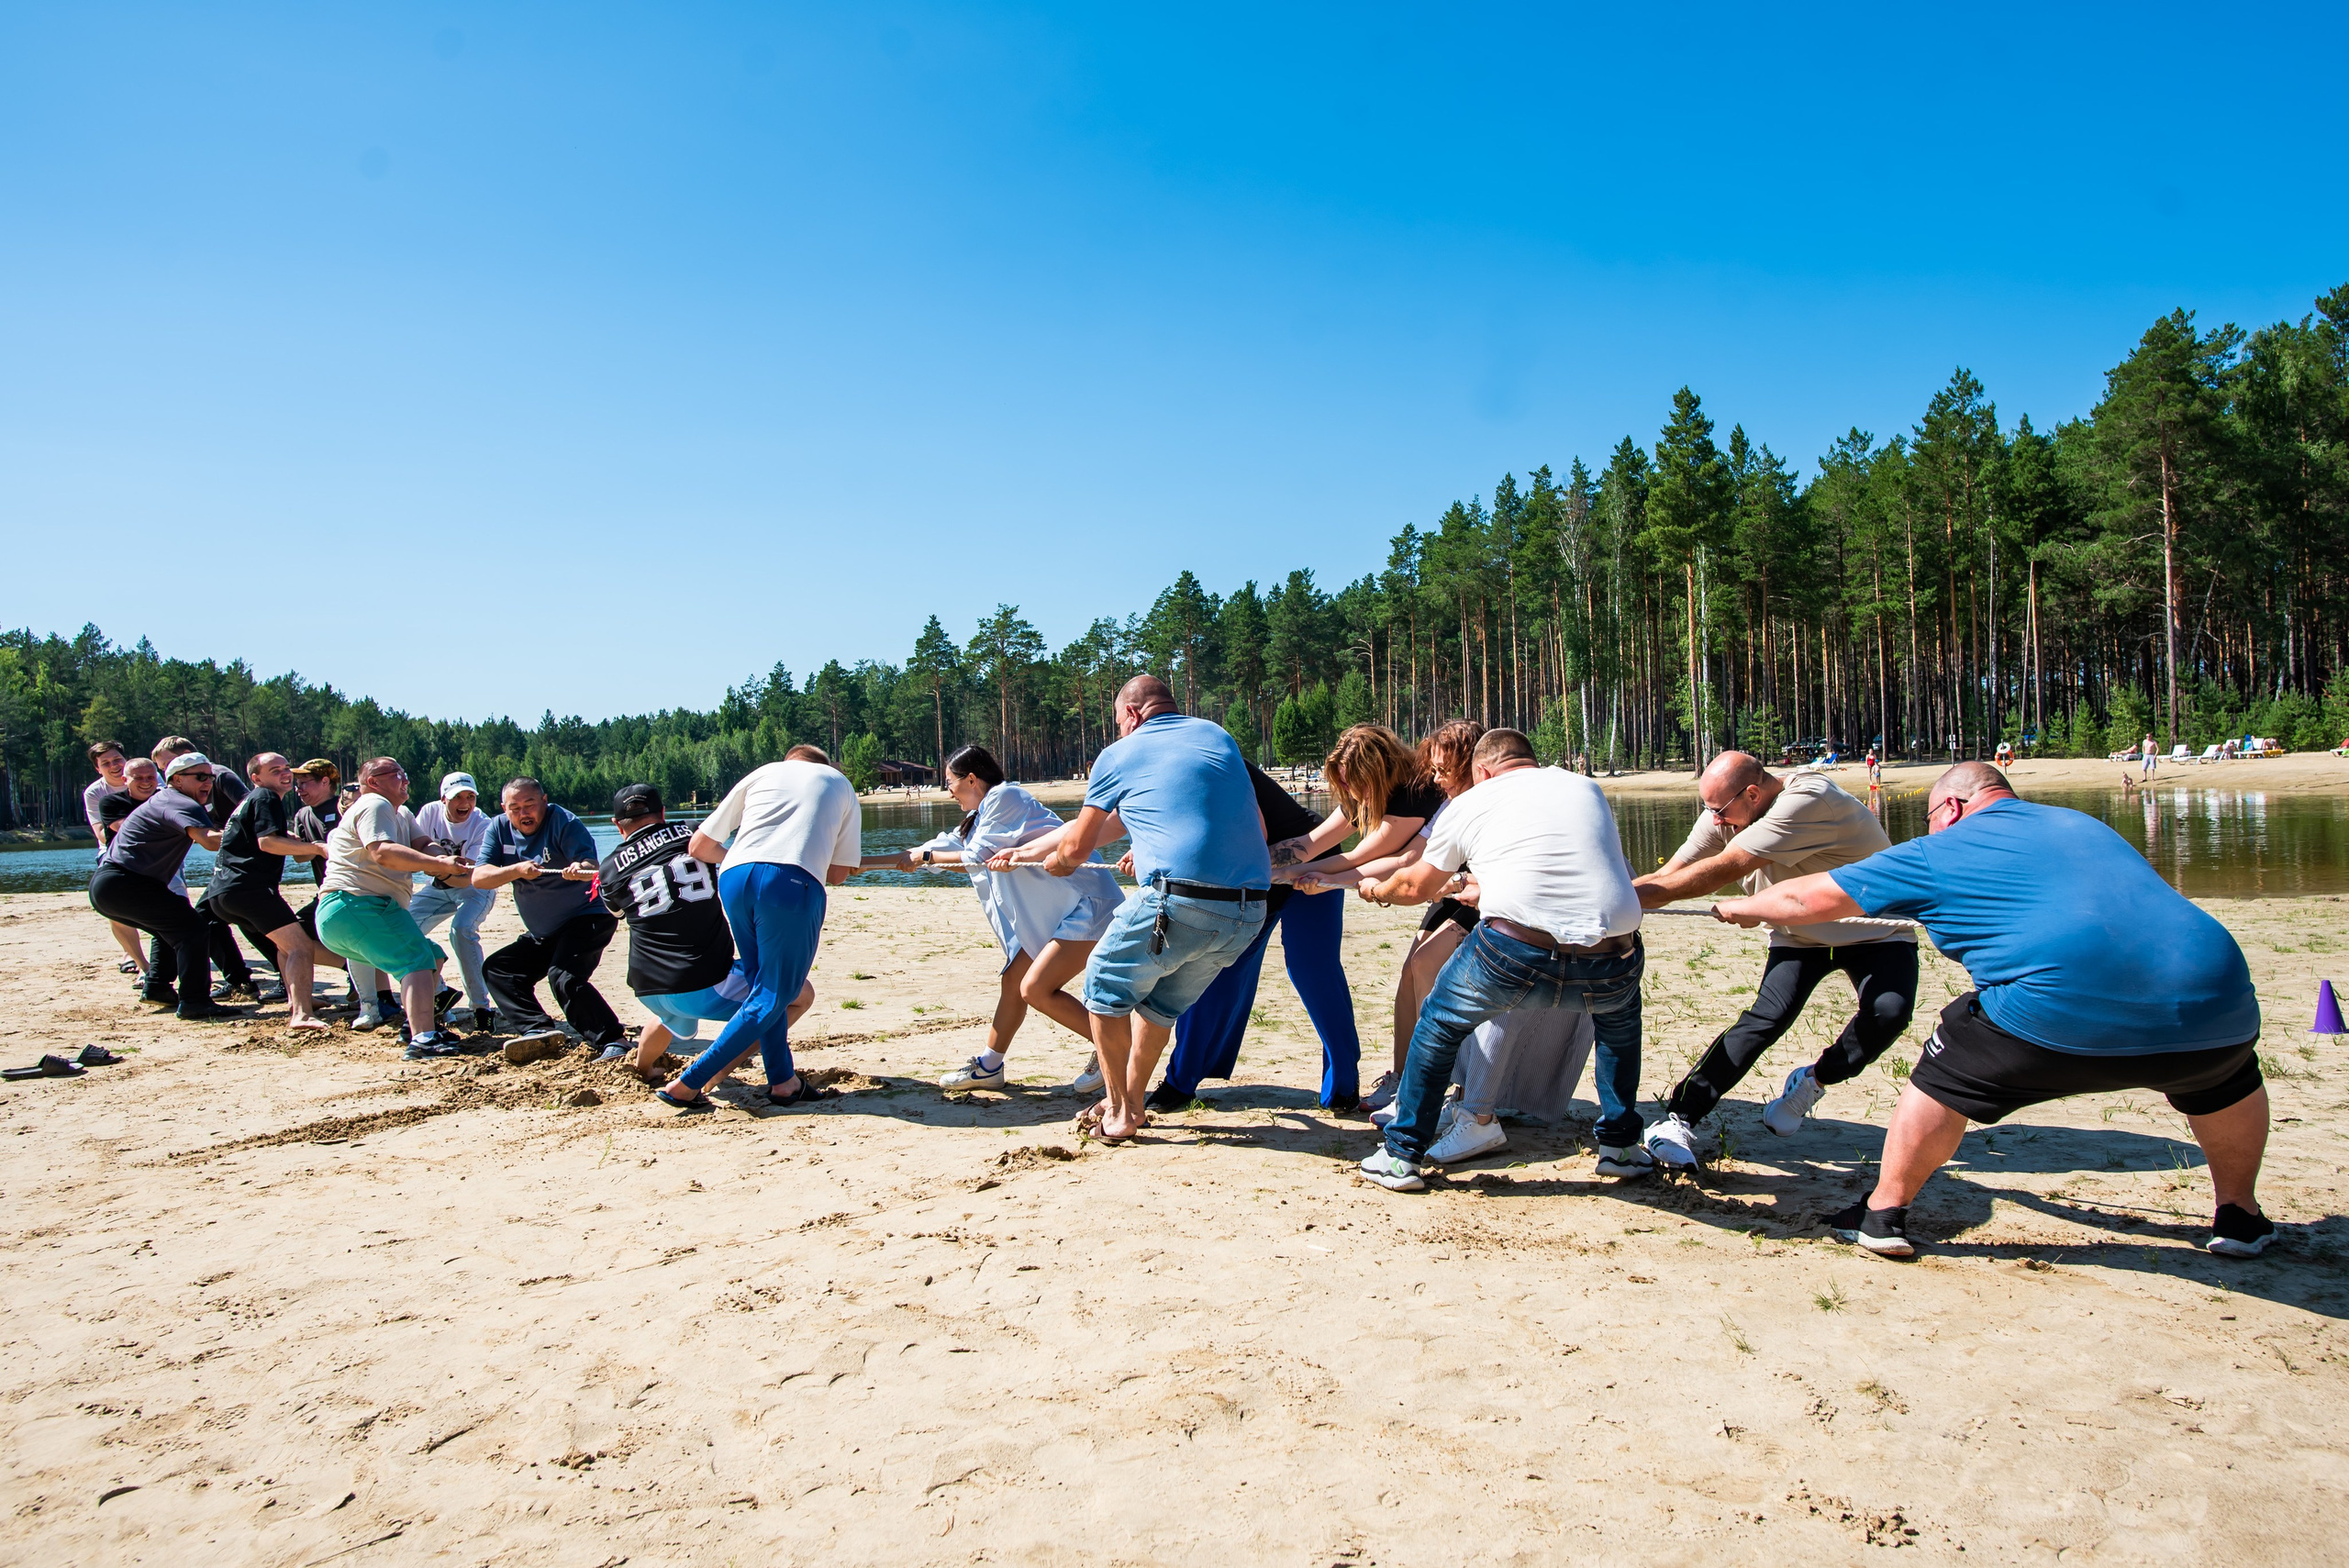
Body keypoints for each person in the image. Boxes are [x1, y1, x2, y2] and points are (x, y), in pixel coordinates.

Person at [1716, 762, 2274, 1260]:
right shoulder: (2081, 823)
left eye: (1932, 817)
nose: (1932, 829)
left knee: (1944, 1070)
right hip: (2220, 1005)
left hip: (2056, 1011)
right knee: (2227, 1084)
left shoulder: (1945, 847)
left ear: (1952, 808)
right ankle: (2240, 1216)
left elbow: (1802, 899)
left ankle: (1882, 1214)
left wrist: (1741, 906)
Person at [1354, 728, 1648, 1191]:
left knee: (1438, 1023)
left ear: (1484, 772)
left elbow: (1415, 886)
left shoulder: (1471, 802)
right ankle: (1622, 1149)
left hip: (1516, 953)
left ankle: (1401, 1154)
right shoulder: (1586, 787)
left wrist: (1375, 891)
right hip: (1614, 952)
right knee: (1619, 1027)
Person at [991, 676, 1269, 1142]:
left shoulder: (1120, 755)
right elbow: (1253, 825)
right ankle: (1131, 1104)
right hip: (1247, 914)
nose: (1119, 730)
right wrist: (1029, 851)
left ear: (1134, 713)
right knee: (1157, 1009)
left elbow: (1078, 846)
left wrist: (1057, 865)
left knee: (1102, 983)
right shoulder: (1215, 735)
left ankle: (1118, 1109)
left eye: (1118, 720)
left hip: (1177, 902)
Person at [1629, 751, 1918, 1167]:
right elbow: (1668, 875)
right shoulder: (1726, 813)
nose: (1713, 821)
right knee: (1766, 1019)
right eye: (1707, 809)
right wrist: (1609, 901)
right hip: (1799, 934)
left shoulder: (1808, 799)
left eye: (1719, 810)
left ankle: (1814, 1081)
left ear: (1752, 793)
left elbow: (1724, 869)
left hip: (1873, 929)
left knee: (1889, 1014)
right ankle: (1679, 1118)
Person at [863, 745, 1119, 1095]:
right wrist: (860, 863)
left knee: (1036, 989)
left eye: (949, 782)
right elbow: (932, 851)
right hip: (1060, 912)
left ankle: (1113, 1045)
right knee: (1014, 981)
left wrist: (925, 856)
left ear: (971, 778)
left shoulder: (1005, 796)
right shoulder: (977, 819)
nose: (947, 790)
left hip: (1087, 903)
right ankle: (989, 1067)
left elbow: (974, 857)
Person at [654, 744, 863, 1114]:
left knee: (761, 988)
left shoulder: (762, 773)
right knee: (771, 996)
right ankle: (688, 1083)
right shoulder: (840, 783)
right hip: (789, 881)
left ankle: (783, 1081)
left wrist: (741, 855)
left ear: (790, 760)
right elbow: (838, 874)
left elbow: (700, 846)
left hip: (735, 878)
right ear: (823, 765)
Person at [1152, 752, 1363, 1112]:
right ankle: (1180, 1081)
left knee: (1313, 970)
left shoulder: (1210, 757)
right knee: (1215, 969)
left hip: (1306, 857)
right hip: (1251, 871)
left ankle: (1344, 1085)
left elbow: (1253, 831)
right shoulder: (1156, 769)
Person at [598, 783, 794, 1075]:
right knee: (798, 995)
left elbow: (614, 910)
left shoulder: (610, 867)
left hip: (649, 987)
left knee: (669, 1017)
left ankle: (643, 1068)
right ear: (663, 813)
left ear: (617, 825)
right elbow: (733, 859)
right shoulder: (692, 831)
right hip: (701, 983)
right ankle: (719, 1067)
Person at [314, 757, 472, 1060]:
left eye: (405, 772)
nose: (406, 780)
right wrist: (440, 866)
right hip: (357, 904)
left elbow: (424, 843)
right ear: (373, 781)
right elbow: (382, 853)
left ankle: (417, 1024)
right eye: (398, 774)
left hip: (356, 911)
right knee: (415, 960)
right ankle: (423, 1039)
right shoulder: (374, 804)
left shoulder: (400, 812)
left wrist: (447, 863)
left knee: (431, 955)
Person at [469, 777, 626, 1057]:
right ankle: (539, 1030)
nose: (523, 813)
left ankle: (612, 1040)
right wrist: (516, 870)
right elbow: (480, 877)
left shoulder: (564, 821)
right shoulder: (498, 828)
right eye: (514, 807)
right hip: (545, 932)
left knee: (564, 976)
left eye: (529, 804)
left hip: (587, 917)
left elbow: (592, 864)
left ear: (544, 801)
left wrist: (579, 867)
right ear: (505, 809)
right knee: (499, 970)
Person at [87, 752, 246, 1021]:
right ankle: (195, 1001)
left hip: (111, 886)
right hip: (125, 883)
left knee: (169, 928)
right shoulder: (180, 801)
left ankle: (158, 987)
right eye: (200, 777)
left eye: (211, 777)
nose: (208, 782)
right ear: (176, 780)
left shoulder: (168, 799)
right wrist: (259, 836)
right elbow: (208, 840)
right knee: (194, 929)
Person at [195, 752, 335, 1031]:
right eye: (275, 770)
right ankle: (302, 1014)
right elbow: (268, 842)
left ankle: (298, 1002)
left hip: (223, 893)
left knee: (286, 945)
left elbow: (267, 837)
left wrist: (297, 842)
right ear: (256, 778)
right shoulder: (266, 797)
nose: (285, 774)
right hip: (249, 889)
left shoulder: (251, 800)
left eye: (286, 769)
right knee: (300, 946)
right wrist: (316, 848)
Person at [150, 735, 267, 1000]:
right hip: (231, 856)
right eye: (161, 769)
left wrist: (237, 836)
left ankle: (253, 978)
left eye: (169, 765)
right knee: (213, 915)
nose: (165, 774)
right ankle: (240, 980)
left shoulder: (220, 776)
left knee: (243, 917)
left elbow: (252, 804)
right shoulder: (183, 794)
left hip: (247, 857)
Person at [288, 765, 386, 1019]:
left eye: (305, 782)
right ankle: (298, 993)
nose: (299, 789)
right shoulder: (302, 815)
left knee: (365, 940)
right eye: (296, 784)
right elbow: (301, 859)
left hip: (359, 890)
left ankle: (375, 993)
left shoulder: (349, 807)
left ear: (325, 782)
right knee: (290, 937)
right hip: (327, 892)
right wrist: (311, 846)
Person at [409, 772, 497, 1034]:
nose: (465, 803)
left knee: (462, 931)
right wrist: (437, 867)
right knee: (402, 931)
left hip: (474, 889)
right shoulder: (428, 813)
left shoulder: (483, 824)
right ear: (443, 798)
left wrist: (432, 866)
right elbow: (415, 851)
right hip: (438, 887)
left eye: (470, 796)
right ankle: (441, 994)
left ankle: (482, 1009)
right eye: (458, 796)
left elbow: (467, 877)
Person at [83, 740, 149, 981]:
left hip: (154, 848)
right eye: (106, 763)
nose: (114, 766)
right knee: (115, 906)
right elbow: (102, 833)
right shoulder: (95, 793)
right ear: (97, 768)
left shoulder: (147, 778)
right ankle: (138, 960)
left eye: (117, 760)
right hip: (111, 850)